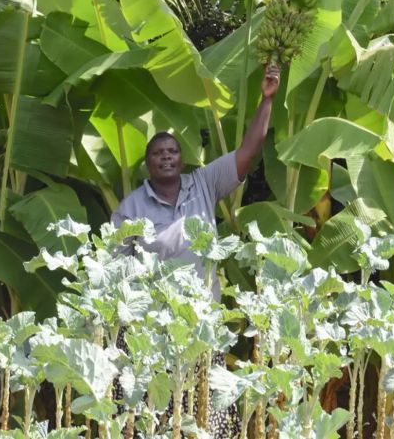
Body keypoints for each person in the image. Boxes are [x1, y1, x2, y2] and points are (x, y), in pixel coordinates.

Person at [110, 64, 281, 298]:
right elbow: (115, 267)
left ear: (182, 160)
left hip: (204, 318)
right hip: (156, 324)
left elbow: (248, 152)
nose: (167, 156)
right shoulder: (130, 208)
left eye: (172, 151)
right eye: (158, 153)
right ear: (147, 164)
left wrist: (267, 100)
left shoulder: (204, 183)